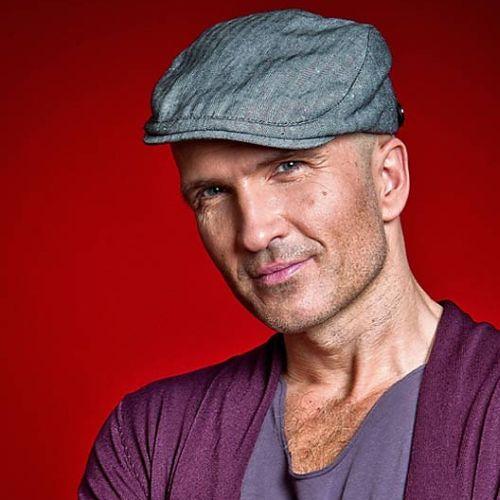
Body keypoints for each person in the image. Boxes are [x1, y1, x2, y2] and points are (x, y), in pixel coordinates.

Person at [79, 9, 499, 499]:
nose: (255, 233)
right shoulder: (150, 440)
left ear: (388, 180)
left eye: (288, 167)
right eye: (213, 192)